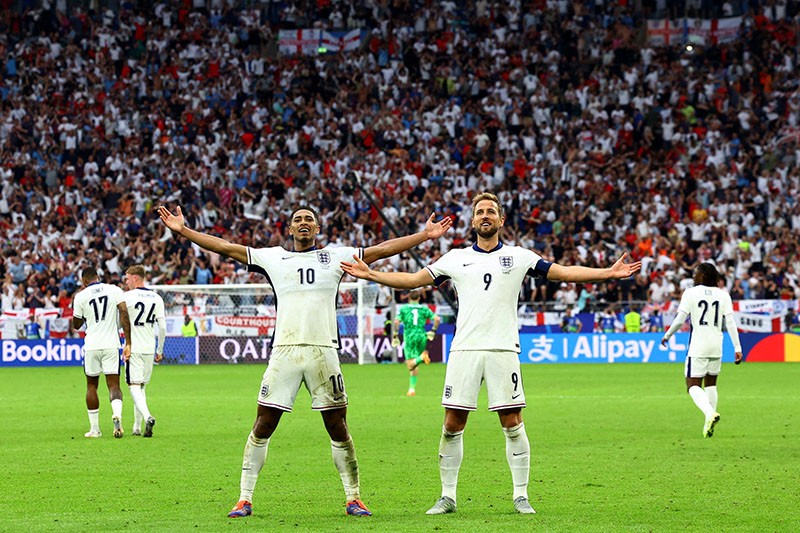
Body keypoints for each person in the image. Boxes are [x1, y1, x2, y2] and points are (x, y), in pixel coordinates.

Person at [341, 192, 641, 515]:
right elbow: (413, 281)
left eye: (491, 212)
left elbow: (563, 271)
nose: (485, 216)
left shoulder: (520, 257)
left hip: (503, 350)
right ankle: (448, 496)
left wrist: (607, 273)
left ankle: (521, 495)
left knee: (512, 422)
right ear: (473, 222)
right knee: (452, 423)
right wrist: (372, 275)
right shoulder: (454, 259)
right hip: (465, 350)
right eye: (480, 212)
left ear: (500, 220)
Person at [158, 203, 451, 518]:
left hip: (323, 351)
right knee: (264, 424)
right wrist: (184, 231)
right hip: (284, 351)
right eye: (297, 219)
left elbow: (381, 249)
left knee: (337, 425)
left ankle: (354, 497)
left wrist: (425, 235)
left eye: (309, 219)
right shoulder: (273, 257)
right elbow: (226, 247)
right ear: (289, 228)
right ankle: (244, 498)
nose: (303, 223)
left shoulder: (337, 256)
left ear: (318, 228)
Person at [661, 262, 743, 438]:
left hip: (698, 345)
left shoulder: (690, 293)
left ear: (703, 276)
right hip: (717, 345)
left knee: (692, 385)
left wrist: (667, 336)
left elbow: (679, 319)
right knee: (711, 383)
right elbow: (730, 323)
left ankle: (709, 414)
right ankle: (710, 419)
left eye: (696, 273)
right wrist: (737, 347)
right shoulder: (723, 295)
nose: (693, 276)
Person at [71, 266, 132, 438]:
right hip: (112, 344)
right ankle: (117, 415)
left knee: (92, 386)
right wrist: (128, 342)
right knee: (114, 385)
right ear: (97, 277)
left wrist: (82, 313)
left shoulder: (81, 296)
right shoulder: (114, 290)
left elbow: (76, 325)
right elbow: (124, 314)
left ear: (84, 281)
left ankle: (95, 429)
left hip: (92, 345)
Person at [123, 264, 166, 438]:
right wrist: (160, 349)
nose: (126, 282)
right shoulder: (157, 298)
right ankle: (136, 427)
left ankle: (147, 416)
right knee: (141, 387)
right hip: (149, 348)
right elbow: (162, 327)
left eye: (127, 278)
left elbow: (120, 322)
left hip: (133, 348)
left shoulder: (126, 297)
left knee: (133, 386)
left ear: (135, 278)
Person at [394, 289, 441, 396]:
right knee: (414, 364)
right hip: (422, 336)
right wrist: (433, 331)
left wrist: (395, 335)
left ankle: (422, 357)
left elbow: (396, 321)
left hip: (410, 337)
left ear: (409, 298)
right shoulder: (424, 308)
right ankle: (411, 389)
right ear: (419, 298)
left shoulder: (405, 308)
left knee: (410, 365)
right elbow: (437, 319)